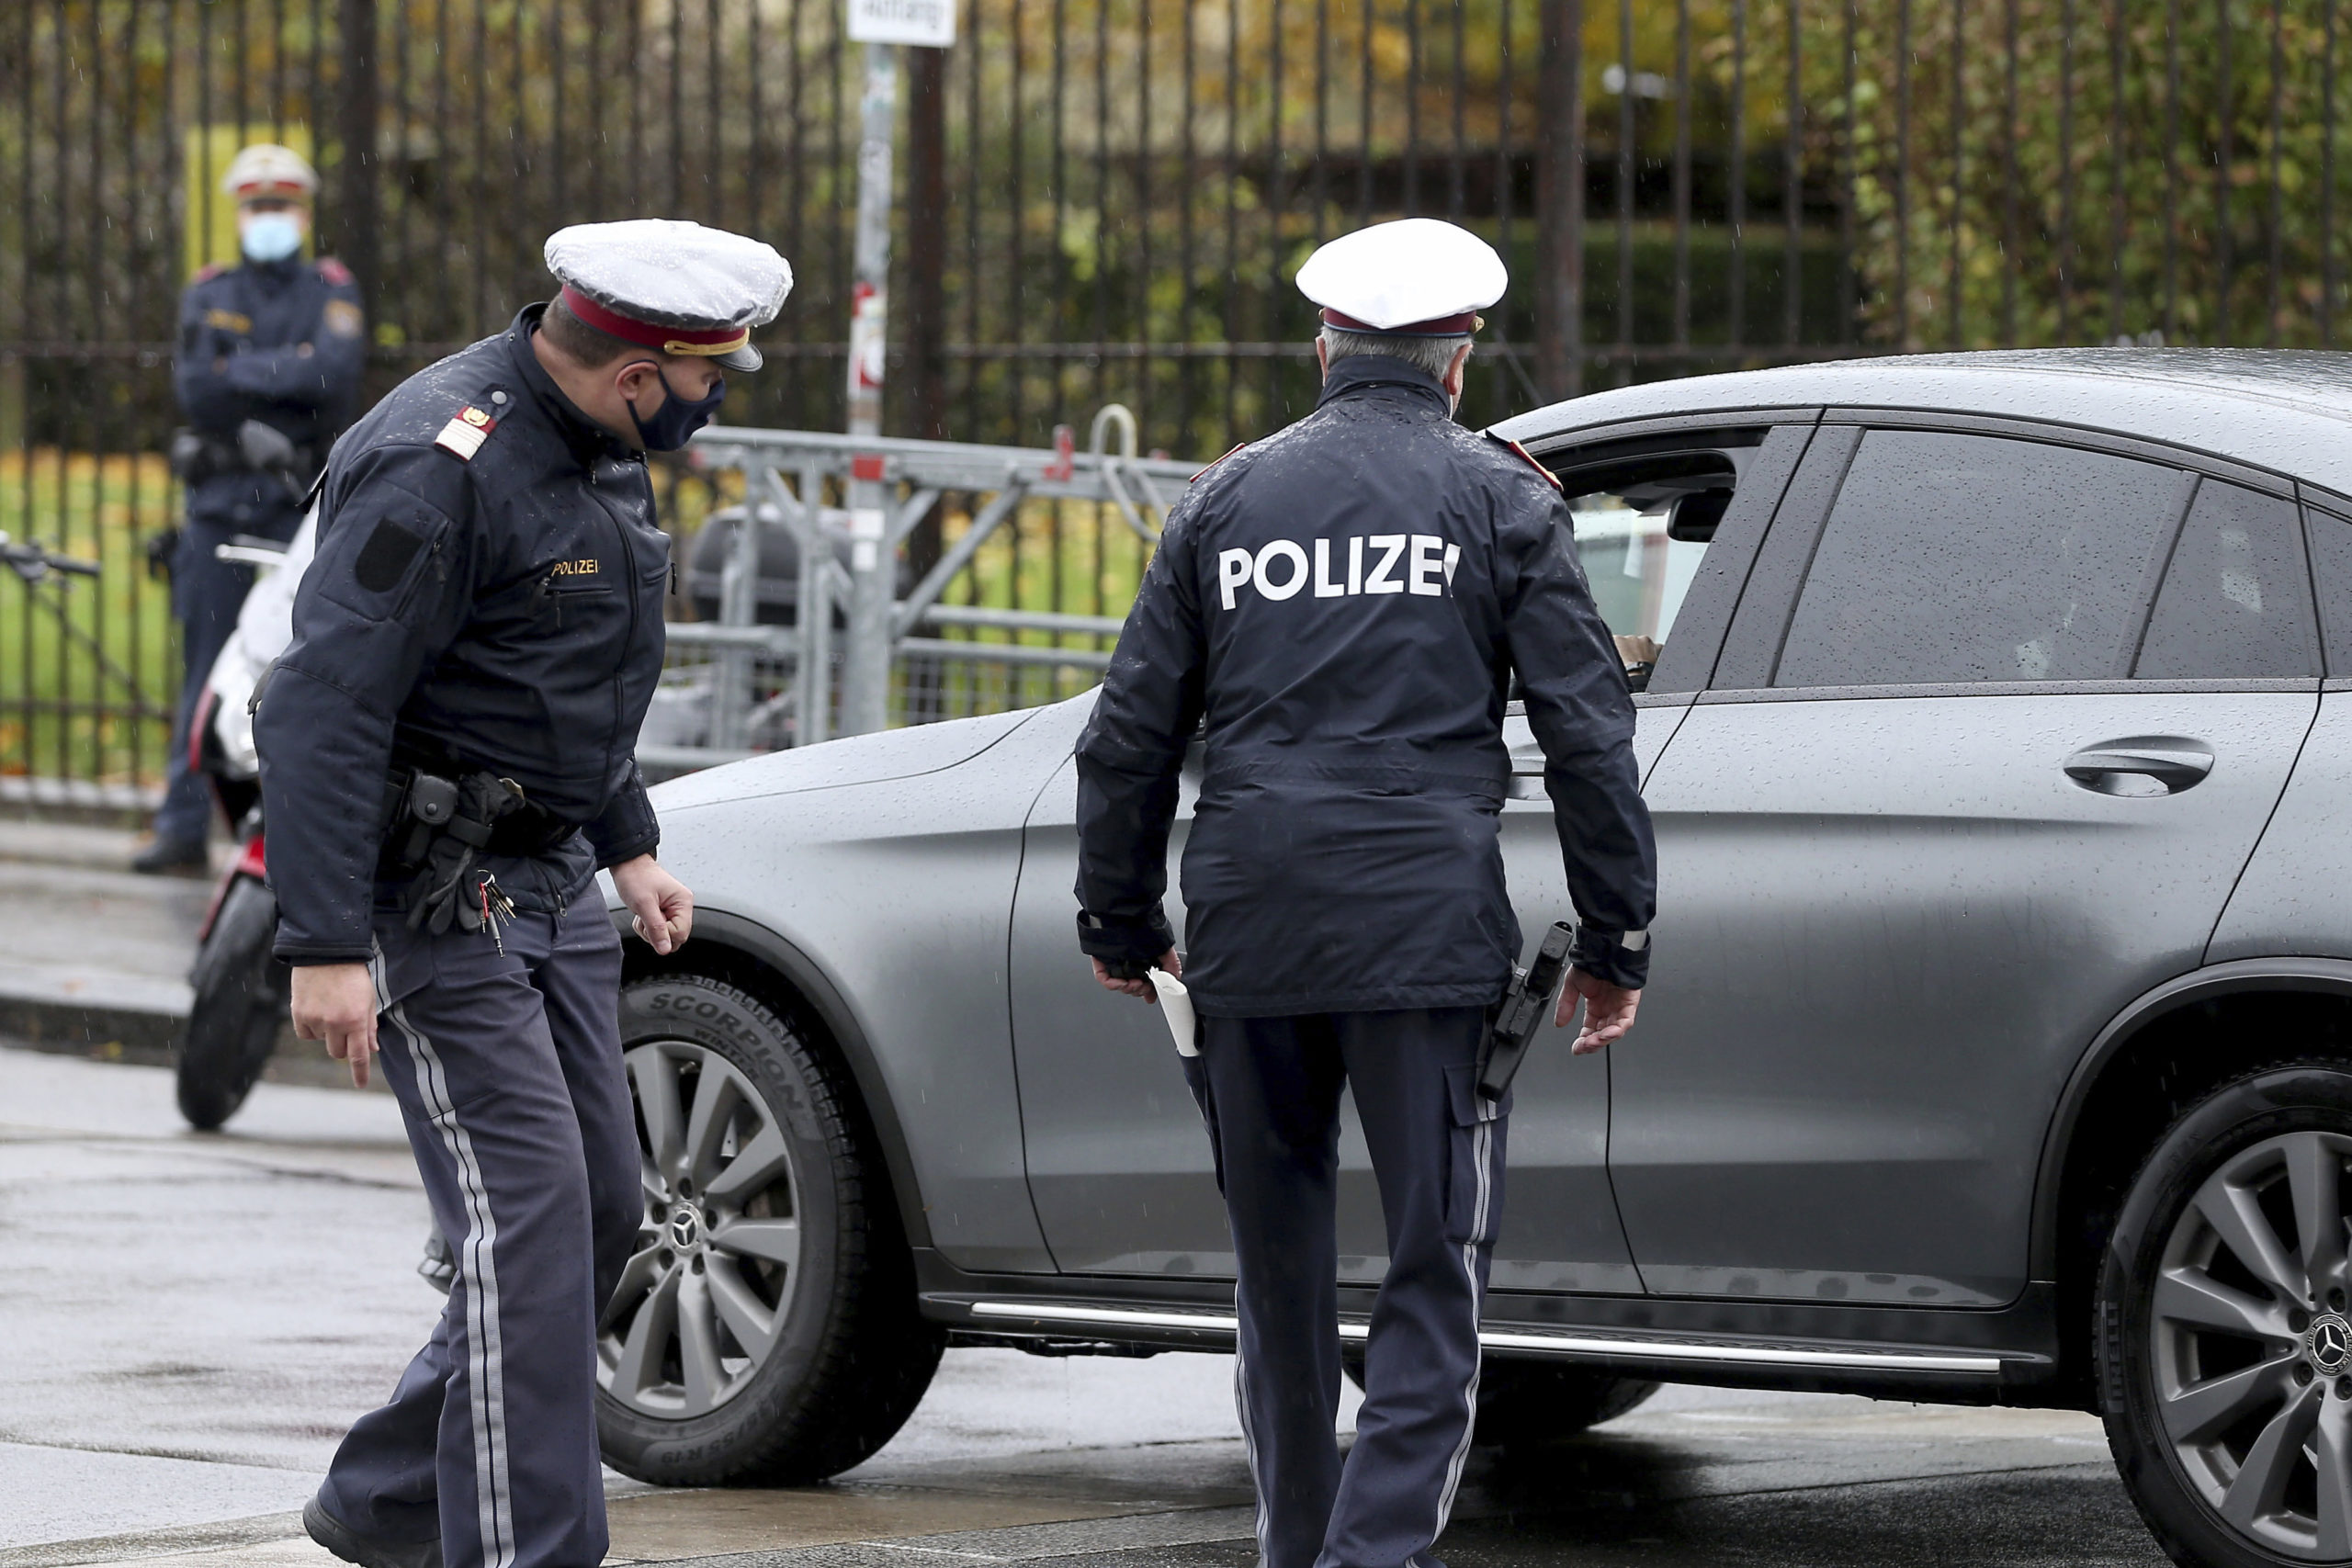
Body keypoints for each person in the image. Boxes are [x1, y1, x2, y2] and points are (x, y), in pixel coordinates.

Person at [1074, 217, 1657, 1568]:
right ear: (1461, 363)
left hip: (1248, 930)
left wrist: (1119, 918)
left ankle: (1299, 1550)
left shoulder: (1224, 501)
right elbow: (1587, 733)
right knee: (1429, 1267)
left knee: (1275, 1282)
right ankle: (1374, 1555)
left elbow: (1128, 735)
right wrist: (1616, 935)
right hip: (1423, 937)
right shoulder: (1504, 498)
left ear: (1322, 347)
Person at [254, 218, 791, 1568]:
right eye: (709, 377)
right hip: (439, 901)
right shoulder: (441, 469)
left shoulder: (605, 453)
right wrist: (321, 945)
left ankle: (385, 1499)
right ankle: (529, 1547)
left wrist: (631, 841)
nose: (716, 401)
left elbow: (561, 678)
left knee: (602, 1204)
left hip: (552, 880)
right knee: (534, 1221)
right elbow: (317, 707)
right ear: (635, 371)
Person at [137, 142, 366, 874]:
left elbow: (333, 376)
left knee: (300, 669)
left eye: (282, 206)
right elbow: (197, 391)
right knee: (204, 664)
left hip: (300, 505)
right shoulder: (209, 290)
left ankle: (286, 832)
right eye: (258, 206)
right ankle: (180, 826)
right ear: (241, 212)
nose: (270, 219)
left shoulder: (331, 288)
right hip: (222, 505)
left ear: (303, 212)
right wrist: (284, 371)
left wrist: (242, 372)